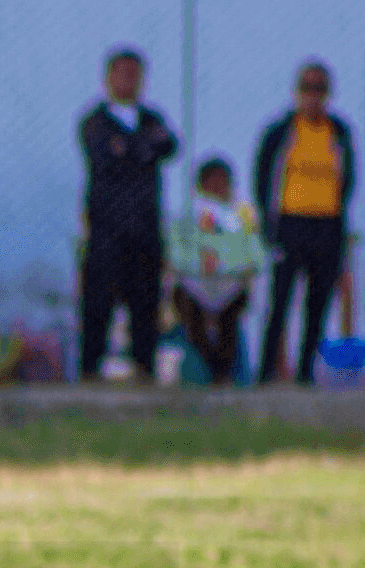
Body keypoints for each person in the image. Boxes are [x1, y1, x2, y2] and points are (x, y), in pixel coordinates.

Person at [77, 47, 178, 381]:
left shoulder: (152, 118)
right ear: (107, 79)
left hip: (145, 226)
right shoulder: (94, 121)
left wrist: (131, 147)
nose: (128, 81)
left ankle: (144, 368)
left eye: (134, 75)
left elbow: (169, 146)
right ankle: (90, 369)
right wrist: (141, 147)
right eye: (121, 74)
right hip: (106, 228)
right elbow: (107, 156)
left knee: (145, 299)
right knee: (99, 301)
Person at [255, 61, 357, 385]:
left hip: (326, 224)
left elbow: (348, 178)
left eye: (320, 89)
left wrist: (339, 219)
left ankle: (305, 371)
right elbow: (263, 174)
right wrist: (267, 221)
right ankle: (266, 370)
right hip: (291, 223)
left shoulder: (338, 131)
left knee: (319, 301)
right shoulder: (282, 131)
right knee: (281, 300)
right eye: (307, 89)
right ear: (297, 92)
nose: (313, 96)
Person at [167, 158, 266, 384]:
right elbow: (175, 253)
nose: (217, 188)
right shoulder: (186, 215)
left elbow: (255, 256)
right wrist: (200, 264)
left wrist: (228, 266)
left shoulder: (242, 216)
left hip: (229, 286)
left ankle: (224, 373)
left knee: (229, 320)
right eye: (212, 183)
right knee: (191, 315)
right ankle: (209, 368)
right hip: (195, 285)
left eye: (222, 182)